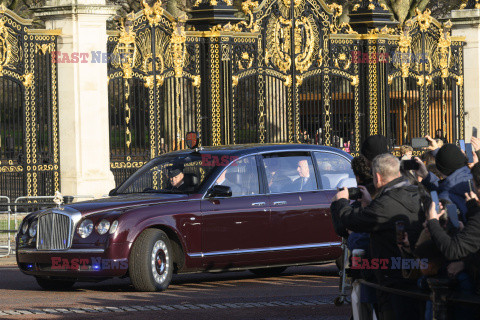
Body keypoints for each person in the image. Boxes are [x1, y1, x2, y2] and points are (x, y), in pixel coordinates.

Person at [331, 153, 425, 320]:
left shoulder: (386, 203)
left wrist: (341, 202)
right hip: (414, 270)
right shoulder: (417, 191)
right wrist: (370, 203)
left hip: (393, 276)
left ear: (378, 177)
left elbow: (352, 221)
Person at [415, 143, 472, 221]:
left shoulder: (444, 198)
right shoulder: (471, 177)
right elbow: (444, 186)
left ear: (439, 169)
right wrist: (426, 176)